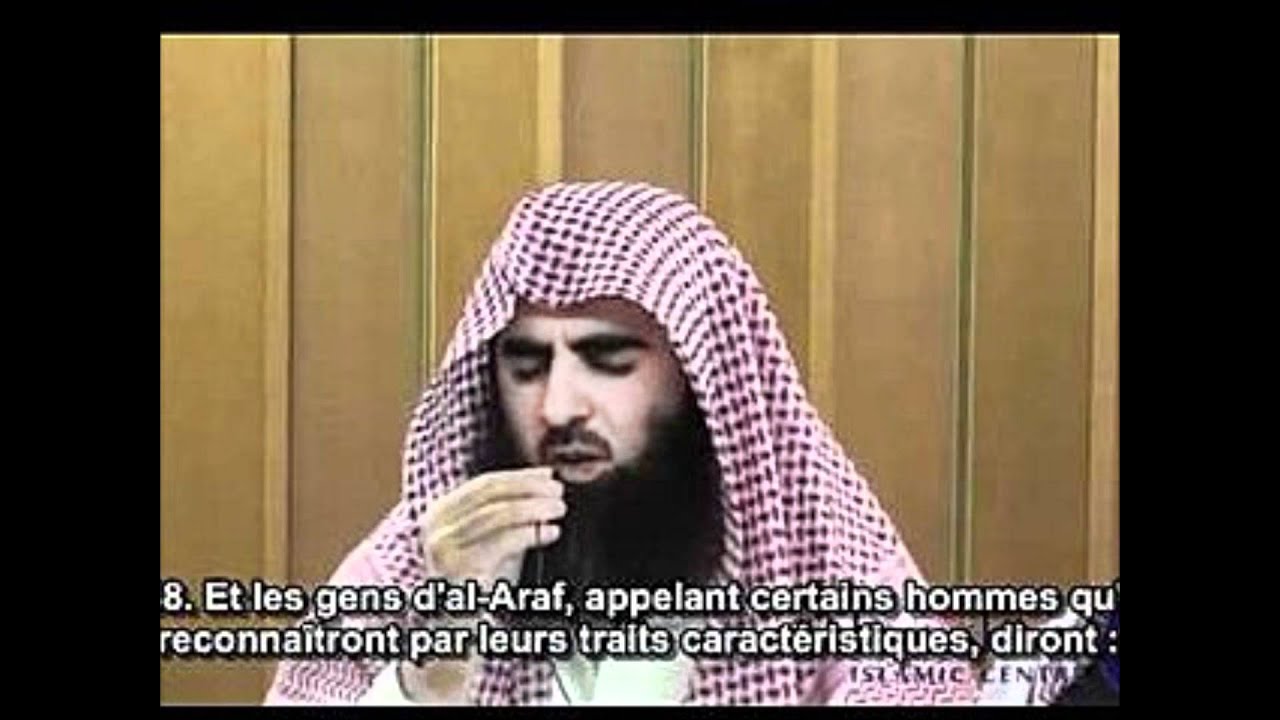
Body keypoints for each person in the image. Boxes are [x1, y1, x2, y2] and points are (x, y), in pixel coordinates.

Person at [265, 180, 982, 705]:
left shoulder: (828, 565)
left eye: (608, 361)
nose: (558, 407)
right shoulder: (423, 560)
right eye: (526, 366)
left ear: (701, 376)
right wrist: (433, 671)